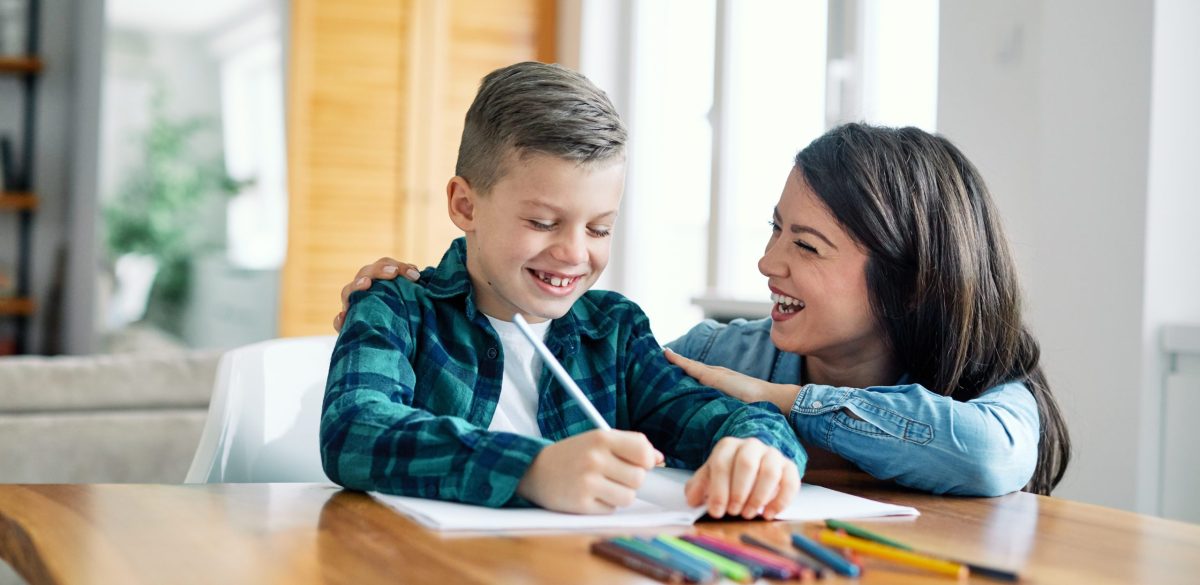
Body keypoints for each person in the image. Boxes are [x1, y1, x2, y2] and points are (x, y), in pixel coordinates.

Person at [337, 122, 1072, 497]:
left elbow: (983, 454)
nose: (766, 263)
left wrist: (778, 407)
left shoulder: (989, 384)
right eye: (773, 229)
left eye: (806, 245)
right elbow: (647, 385)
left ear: (909, 281)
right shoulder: (721, 357)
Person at [322, 61, 805, 519]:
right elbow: (353, 431)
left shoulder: (615, 332)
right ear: (466, 206)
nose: (574, 254)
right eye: (543, 222)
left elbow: (728, 418)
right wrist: (532, 469)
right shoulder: (395, 307)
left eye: (598, 229)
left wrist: (759, 452)